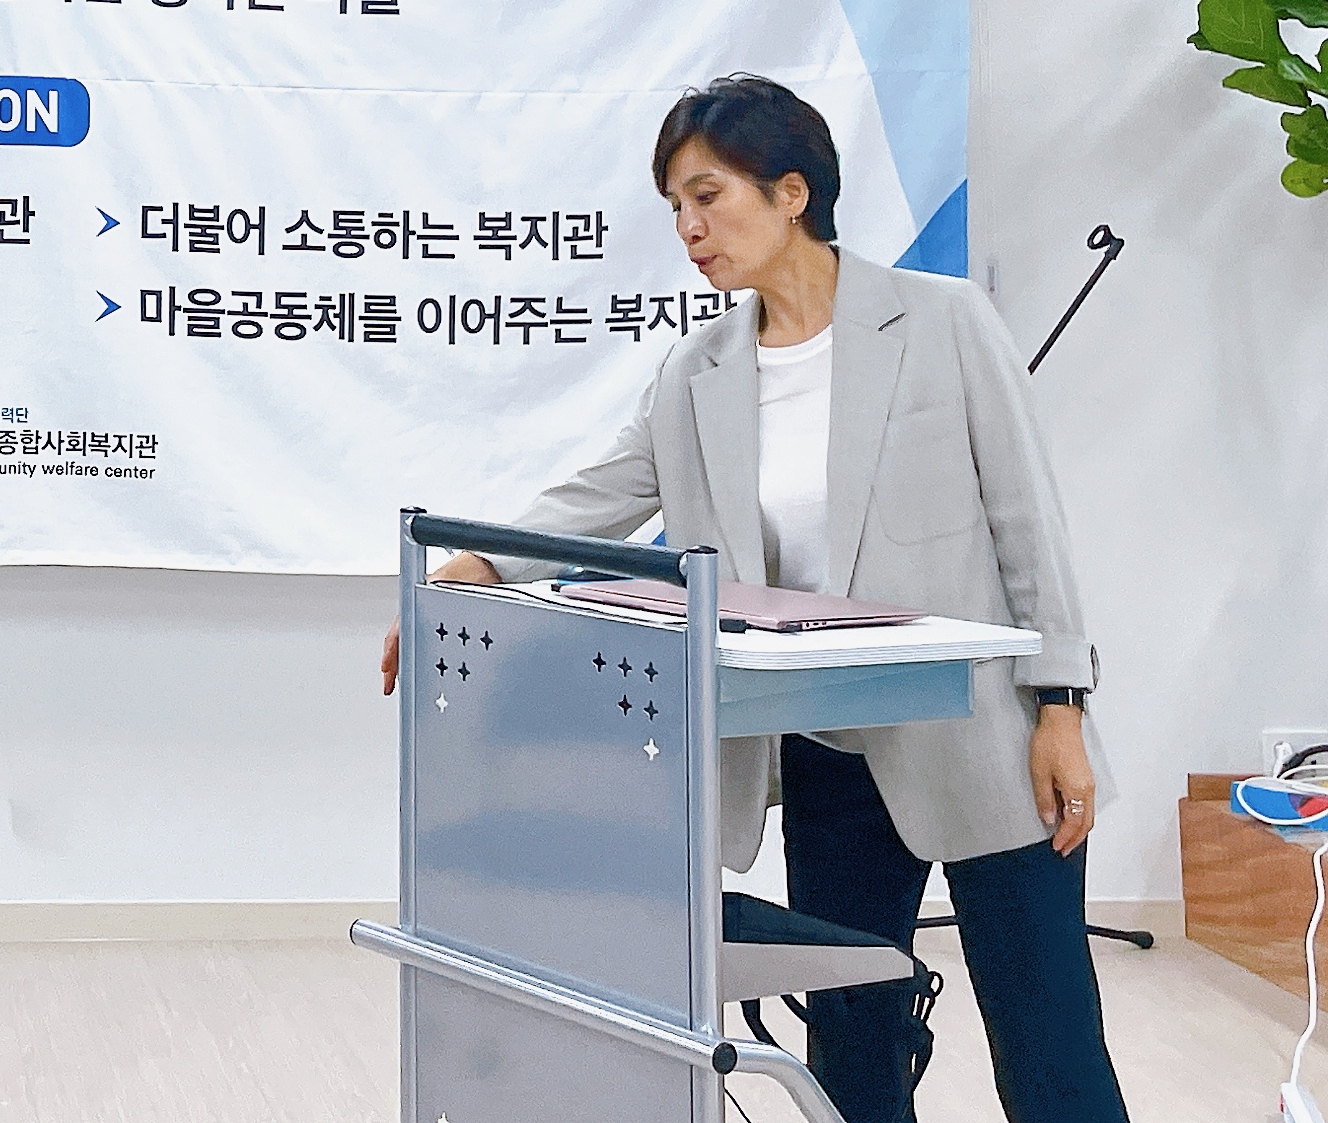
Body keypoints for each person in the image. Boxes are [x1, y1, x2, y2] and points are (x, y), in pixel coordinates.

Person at [379, 75, 1127, 1123]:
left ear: (791, 192)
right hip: (828, 748)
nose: (689, 229)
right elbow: (608, 487)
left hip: (984, 731)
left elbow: (1028, 522)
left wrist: (1061, 705)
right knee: (852, 1047)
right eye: (675, 208)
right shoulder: (700, 369)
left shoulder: (944, 322)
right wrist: (478, 568)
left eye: (707, 197)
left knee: (1047, 1038)